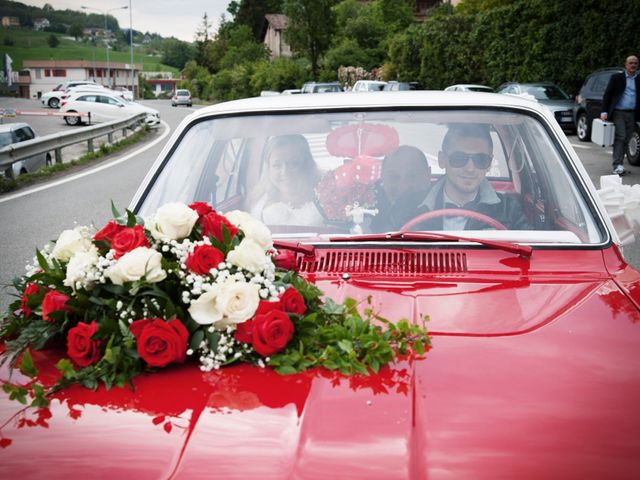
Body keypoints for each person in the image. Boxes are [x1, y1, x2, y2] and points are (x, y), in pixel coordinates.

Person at [408, 123, 530, 231]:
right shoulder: (408, 206)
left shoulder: (509, 210)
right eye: (459, 158)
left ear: (489, 164)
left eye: (480, 160)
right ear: (442, 160)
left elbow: (533, 251)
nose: (470, 169)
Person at [248, 134, 325, 226]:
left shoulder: (325, 194)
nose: (285, 172)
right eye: (277, 165)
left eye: (293, 164)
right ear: (269, 169)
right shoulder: (259, 202)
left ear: (306, 165)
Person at [370, 145, 432, 232]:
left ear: (428, 175)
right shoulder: (366, 208)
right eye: (393, 176)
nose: (403, 186)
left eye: (412, 176)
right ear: (382, 177)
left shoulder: (444, 208)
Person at [601, 55, 639, 175]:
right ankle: (617, 165)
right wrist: (604, 111)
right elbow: (607, 95)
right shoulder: (617, 78)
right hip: (618, 112)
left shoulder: (639, 79)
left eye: (635, 63)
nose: (633, 65)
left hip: (632, 113)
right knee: (621, 137)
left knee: (627, 139)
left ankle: (620, 164)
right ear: (626, 65)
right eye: (631, 63)